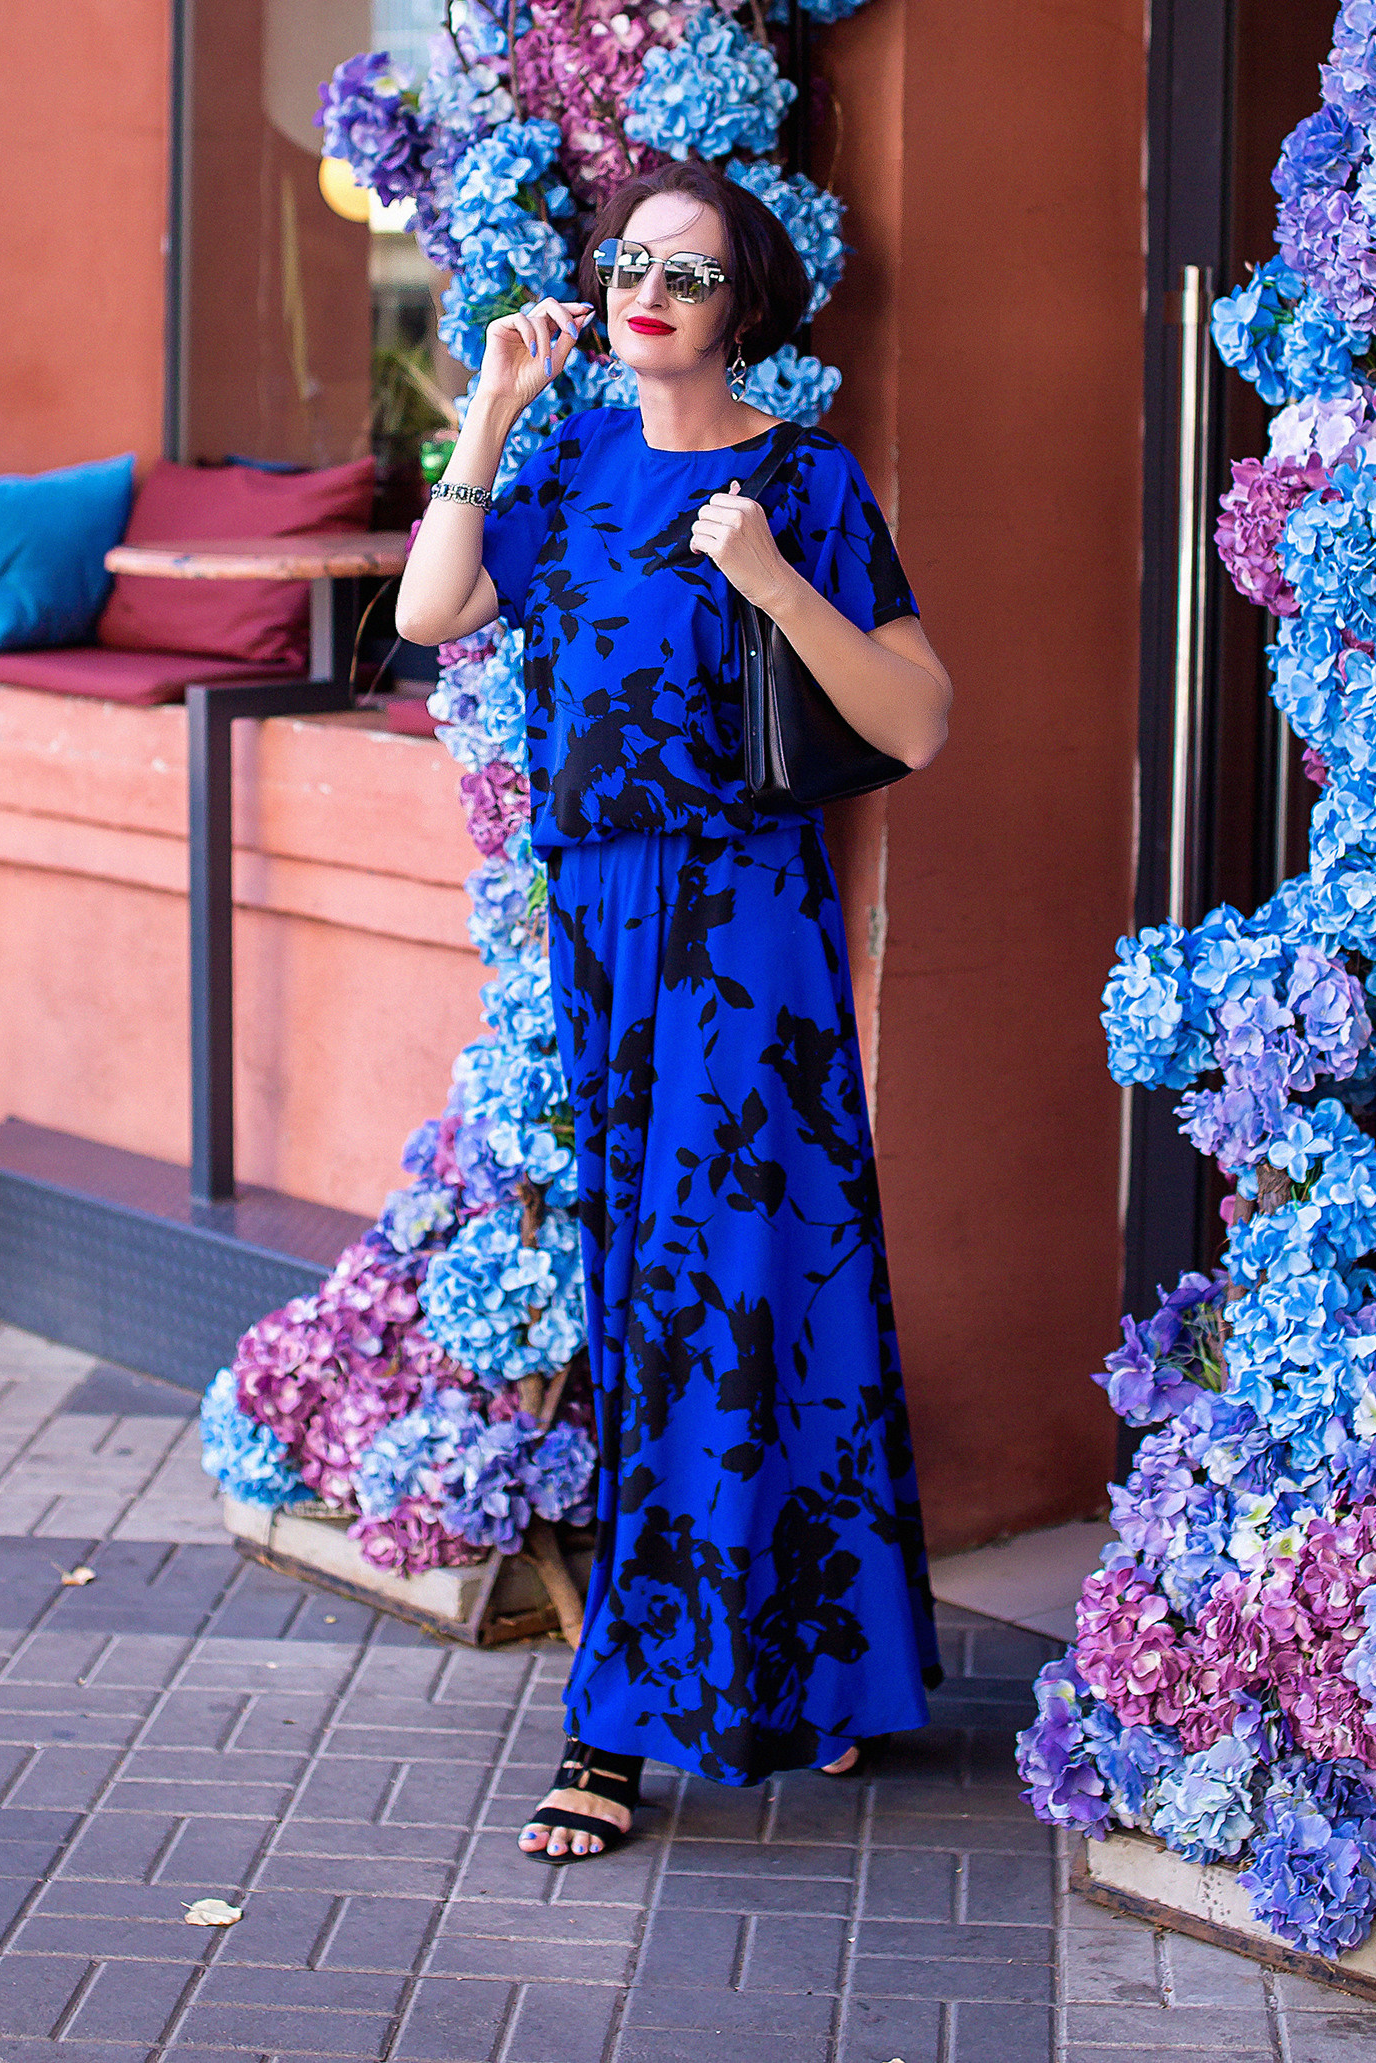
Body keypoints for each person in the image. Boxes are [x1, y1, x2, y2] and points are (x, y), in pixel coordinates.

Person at [395, 155, 952, 1861]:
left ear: (745, 305)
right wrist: (488, 408)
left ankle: (635, 1726)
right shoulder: (561, 463)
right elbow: (430, 615)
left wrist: (772, 577)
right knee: (658, 1295)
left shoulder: (807, 481)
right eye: (627, 260)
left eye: (688, 271)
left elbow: (921, 722)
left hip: (746, 934)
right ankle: (784, 1671)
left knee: (763, 1289)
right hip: (603, 939)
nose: (647, 288)